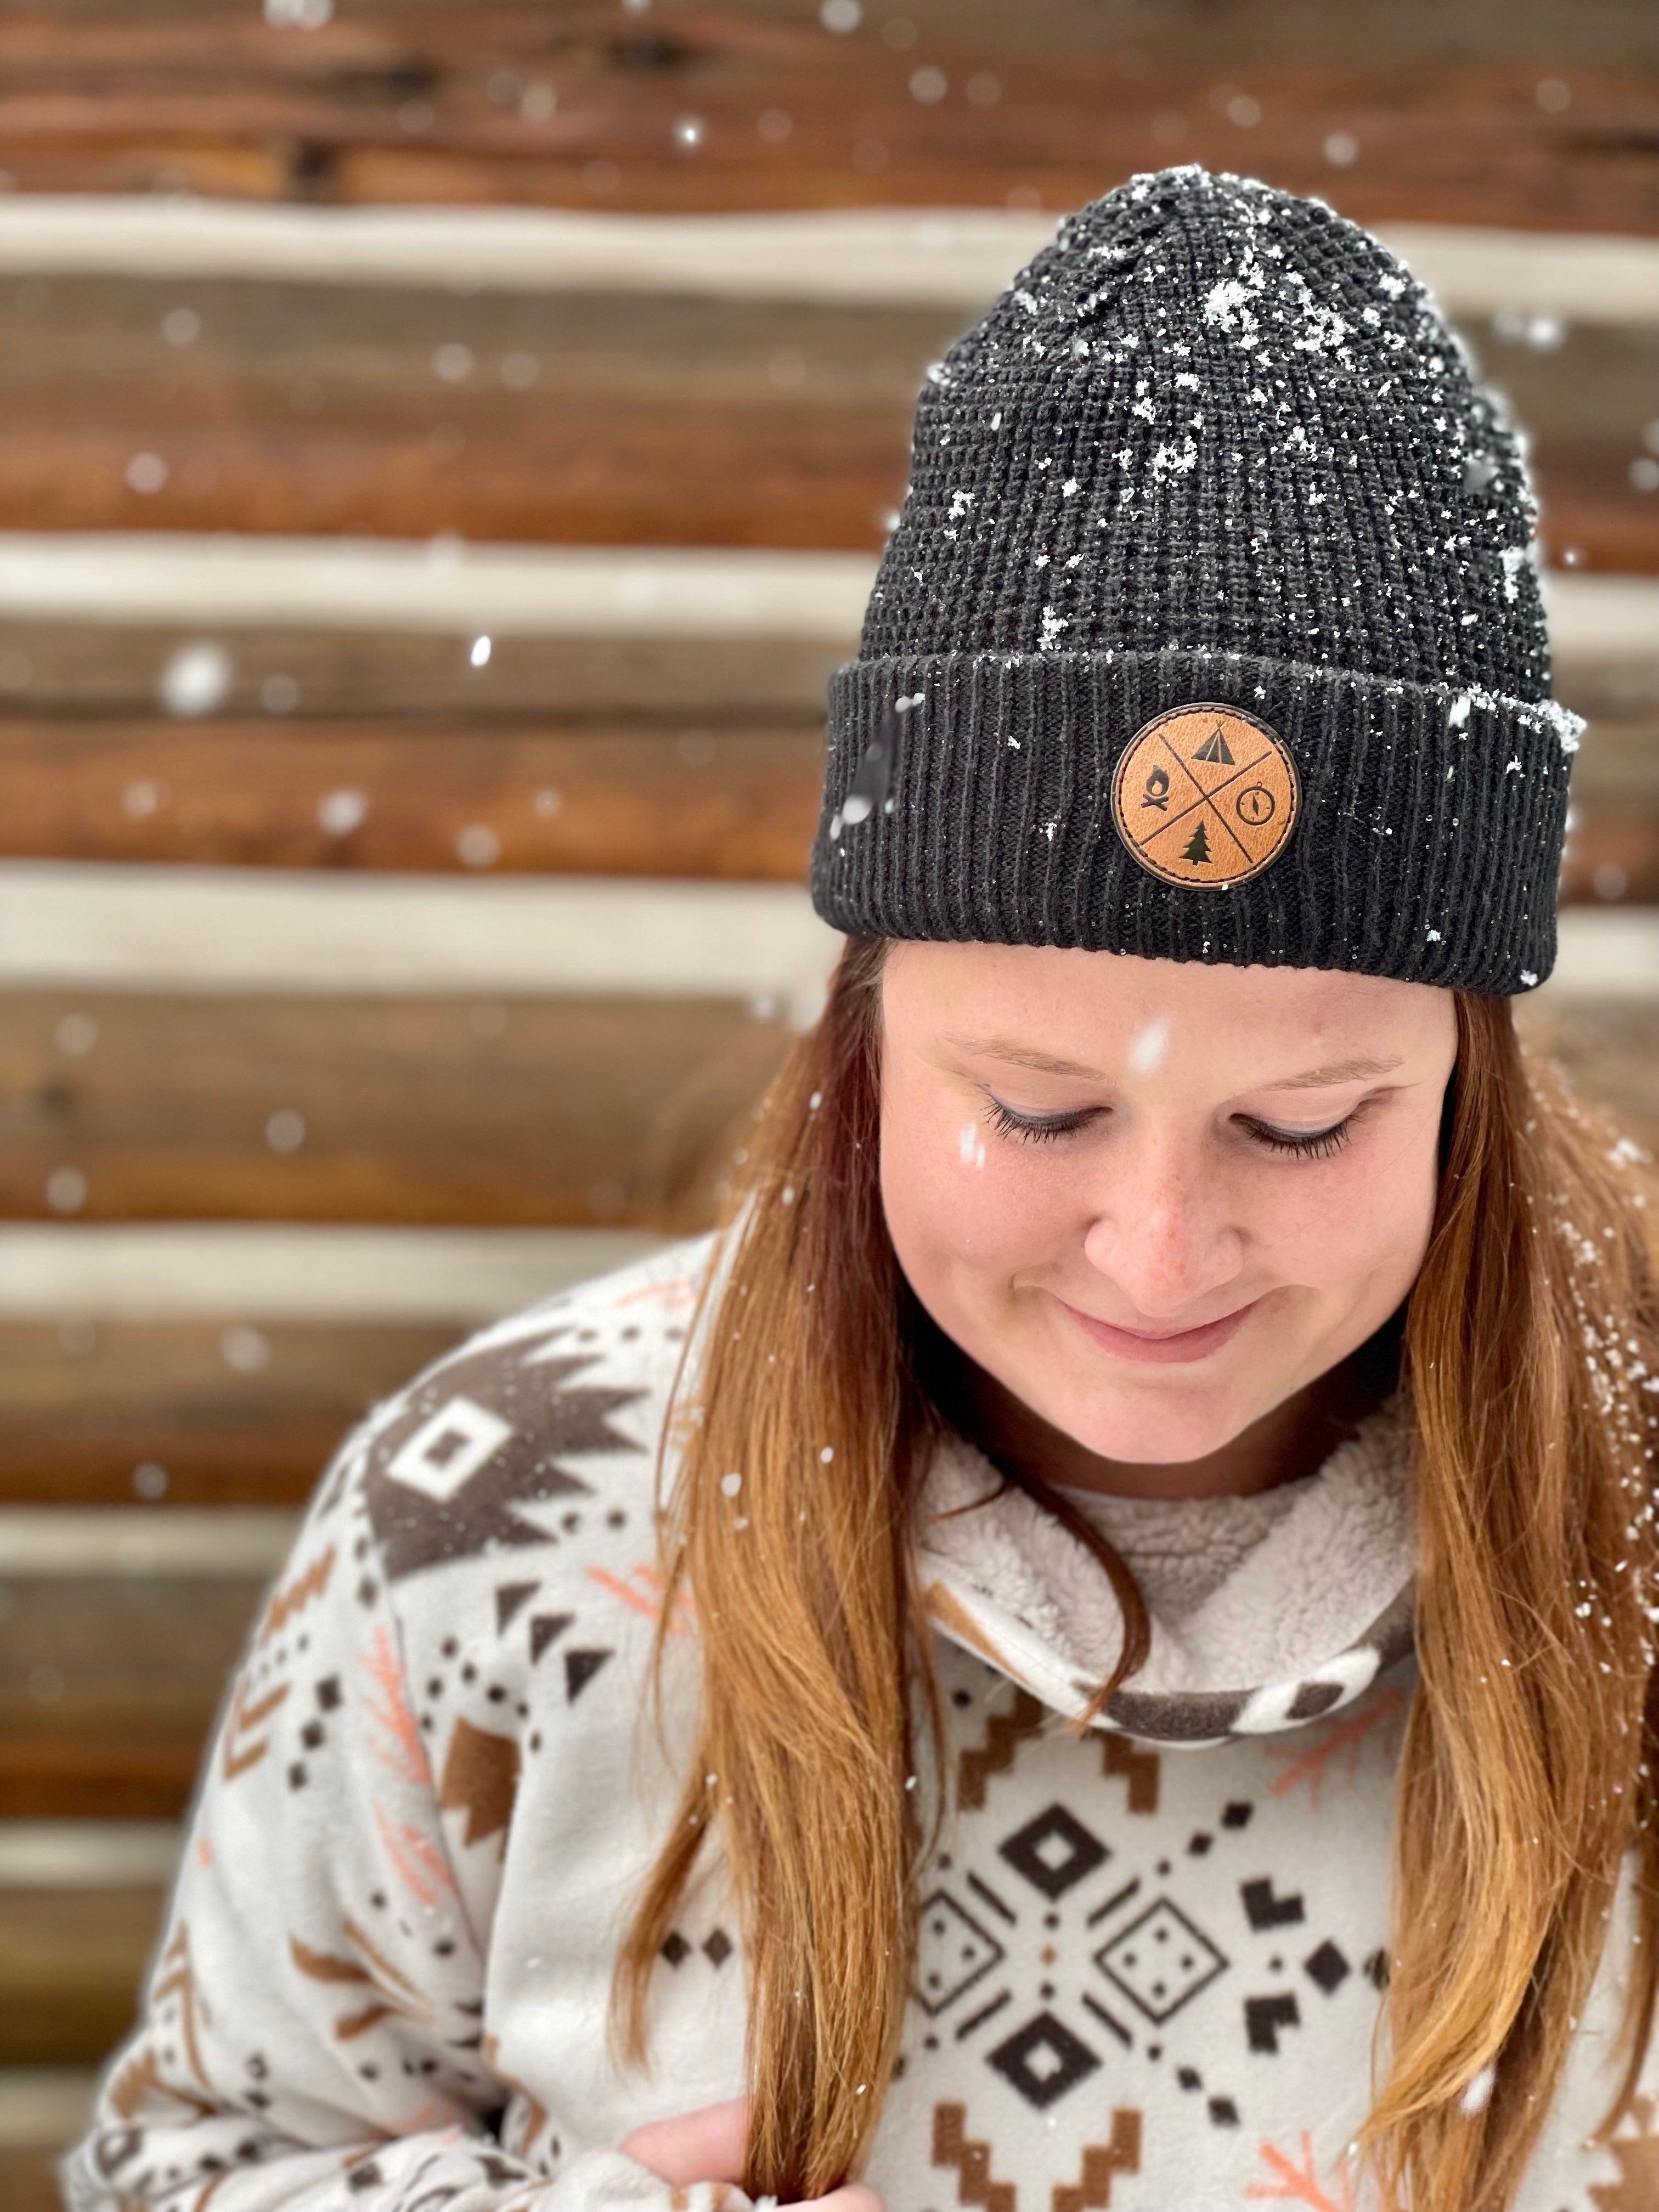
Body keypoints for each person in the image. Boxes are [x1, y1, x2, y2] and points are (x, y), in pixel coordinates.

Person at [64, 166, 1659, 2212]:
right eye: (1040, 1110)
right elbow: (197, 2162)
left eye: (1302, 1127)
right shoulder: (492, 1526)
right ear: (869, 1036)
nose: (1159, 1251)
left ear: (1465, 1087)